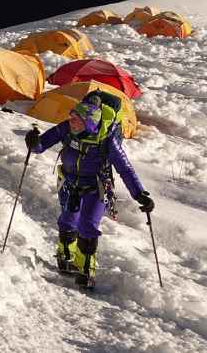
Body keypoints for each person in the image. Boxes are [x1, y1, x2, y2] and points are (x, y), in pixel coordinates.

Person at [25, 93, 155, 290]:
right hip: (69, 182)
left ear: (90, 123)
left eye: (77, 120)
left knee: (88, 224)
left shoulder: (107, 141)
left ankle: (86, 269)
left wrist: (139, 194)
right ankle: (65, 256)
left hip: (97, 187)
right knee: (68, 219)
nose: (72, 123)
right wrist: (33, 142)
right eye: (71, 118)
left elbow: (125, 169)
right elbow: (41, 145)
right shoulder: (67, 128)